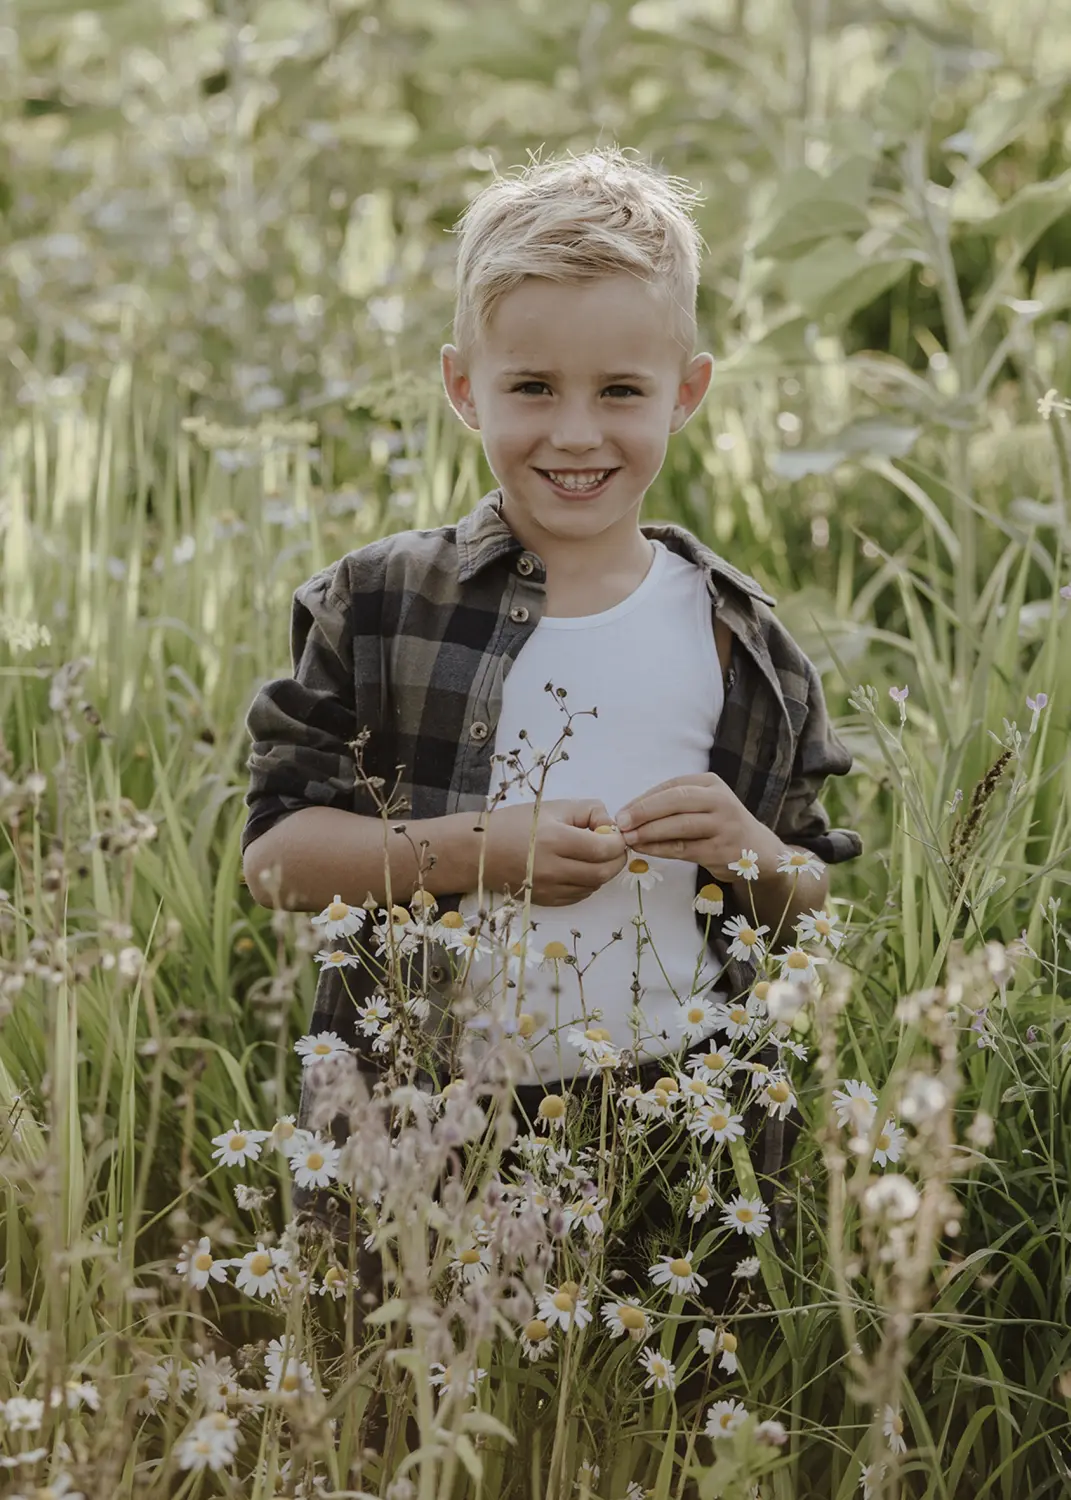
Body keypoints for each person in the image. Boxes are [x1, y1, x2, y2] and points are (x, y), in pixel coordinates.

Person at [240, 143, 863, 1358]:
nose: (576, 433)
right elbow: (274, 859)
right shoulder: (377, 605)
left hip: (677, 1111)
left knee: (654, 1416)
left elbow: (808, 893)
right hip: (424, 1107)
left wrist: (749, 851)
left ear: (687, 392)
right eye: (533, 388)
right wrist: (483, 850)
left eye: (621, 393)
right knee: (409, 1398)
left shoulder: (739, 631)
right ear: (463, 388)